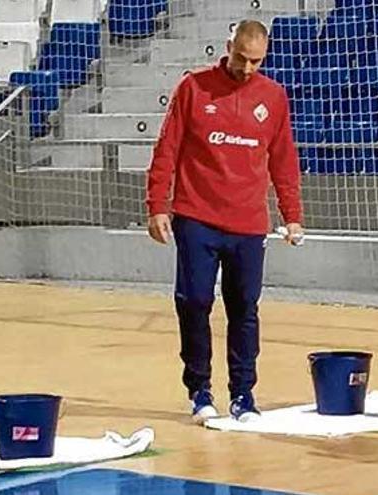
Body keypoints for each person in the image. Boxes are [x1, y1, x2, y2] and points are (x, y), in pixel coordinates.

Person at [145, 20, 304, 424]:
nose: (247, 68)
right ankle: (199, 390)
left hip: (249, 224)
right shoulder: (194, 88)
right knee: (195, 301)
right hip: (196, 217)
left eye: (256, 61)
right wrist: (157, 205)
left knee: (244, 308)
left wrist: (293, 216)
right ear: (227, 47)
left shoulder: (273, 97)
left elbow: (284, 160)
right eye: (240, 58)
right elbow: (167, 149)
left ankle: (243, 395)